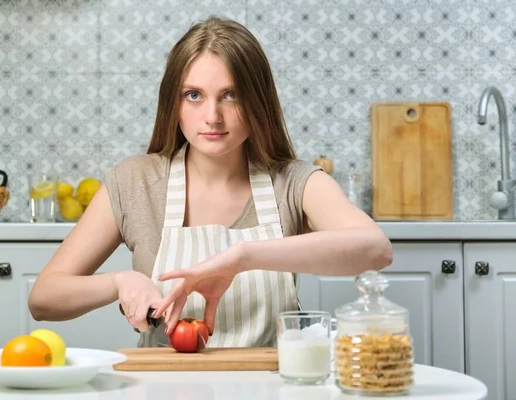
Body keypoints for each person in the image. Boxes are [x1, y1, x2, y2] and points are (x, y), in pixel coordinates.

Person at [28, 16, 393, 348]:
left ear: (258, 102)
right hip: (163, 389)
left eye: (231, 95)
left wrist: (242, 258)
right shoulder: (134, 182)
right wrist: (119, 282)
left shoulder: (293, 182)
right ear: (173, 103)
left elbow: (375, 249)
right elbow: (43, 299)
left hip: (270, 386)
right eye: (194, 96)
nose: (212, 117)